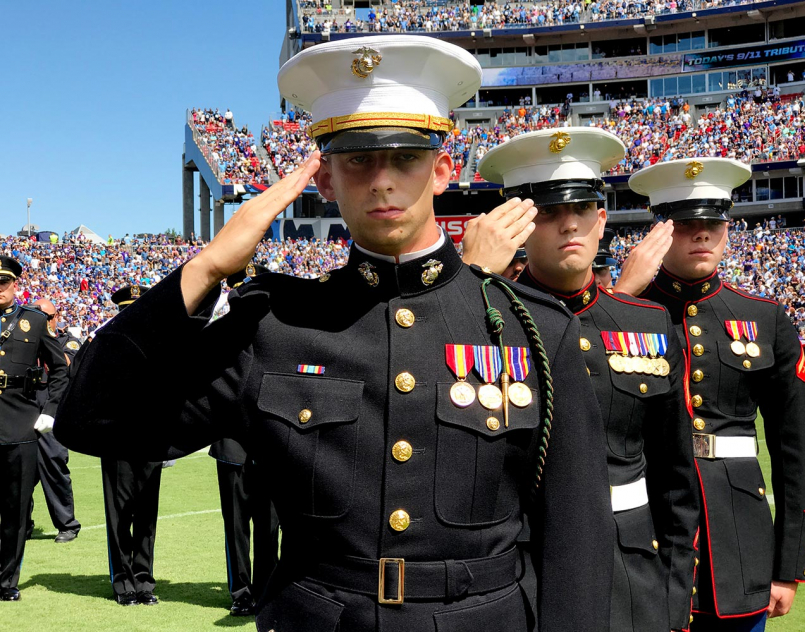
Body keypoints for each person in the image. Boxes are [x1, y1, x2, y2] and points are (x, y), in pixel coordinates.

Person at [55, 36, 614, 632]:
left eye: (405, 158)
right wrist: (207, 268)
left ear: (443, 170)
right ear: (325, 179)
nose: (382, 181)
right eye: (358, 160)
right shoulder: (270, 326)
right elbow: (92, 419)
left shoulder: (534, 330)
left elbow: (577, 537)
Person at [467, 127, 699, 632]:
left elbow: (675, 479)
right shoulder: (481, 322)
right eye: (548, 212)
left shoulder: (646, 324)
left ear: (602, 220)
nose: (569, 225)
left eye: (582, 209)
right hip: (520, 574)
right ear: (522, 225)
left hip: (632, 574)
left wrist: (674, 595)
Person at [623, 157, 805, 631]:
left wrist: (789, 567)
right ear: (661, 232)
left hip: (739, 540)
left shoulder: (765, 318)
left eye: (713, 223)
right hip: (649, 536)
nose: (703, 235)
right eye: (687, 224)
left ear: (727, 231)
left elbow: (795, 450)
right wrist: (624, 301)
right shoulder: (625, 314)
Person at [210, 265, 281, 617]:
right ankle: (241, 591)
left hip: (270, 443)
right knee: (236, 526)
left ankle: (267, 588)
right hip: (233, 442)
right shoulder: (220, 337)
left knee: (269, 526)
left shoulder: (279, 336)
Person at [0, 256, 70, 601]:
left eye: (4, 283)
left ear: (15, 285)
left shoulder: (34, 320)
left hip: (19, 423)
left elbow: (60, 369)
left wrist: (51, 411)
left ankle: (6, 582)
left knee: (15, 509)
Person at [99, 285, 164, 607]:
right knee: (119, 515)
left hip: (151, 439)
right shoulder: (104, 342)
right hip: (116, 439)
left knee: (147, 516)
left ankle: (144, 580)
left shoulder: (162, 344)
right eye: (127, 309)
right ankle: (122, 580)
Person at [28, 299, 82, 543]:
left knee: (54, 463)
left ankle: (67, 524)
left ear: (56, 316)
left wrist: (45, 339)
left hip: (53, 401)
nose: (44, 321)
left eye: (48, 317)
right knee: (19, 468)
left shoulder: (67, 339)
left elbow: (67, 365)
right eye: (38, 317)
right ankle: (22, 524)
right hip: (27, 401)